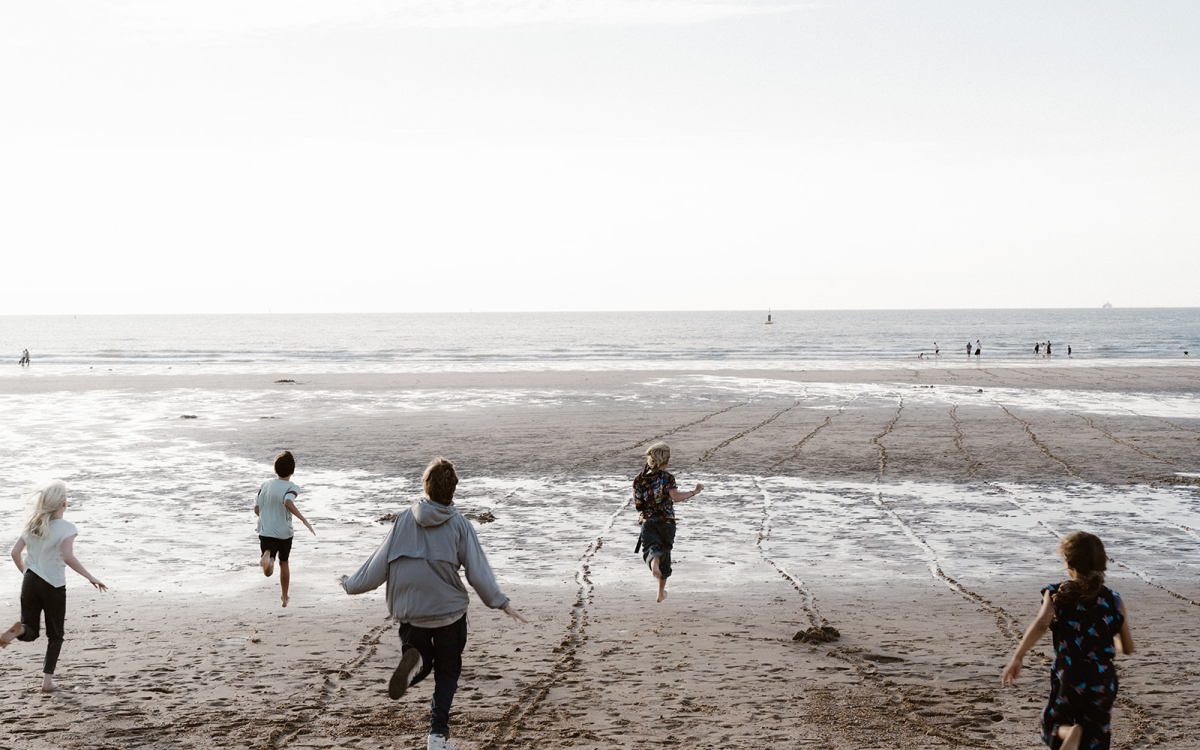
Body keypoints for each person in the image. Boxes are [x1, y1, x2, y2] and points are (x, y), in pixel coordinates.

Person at [339, 458, 526, 750]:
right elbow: (477, 572)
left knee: (422, 660)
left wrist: (351, 584)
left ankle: (414, 664)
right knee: (448, 671)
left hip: (409, 610)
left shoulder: (403, 519)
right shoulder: (460, 524)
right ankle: (437, 737)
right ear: (453, 490)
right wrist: (500, 602)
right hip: (447, 611)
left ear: (425, 487)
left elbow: (378, 564)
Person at [1002, 531, 1135, 750]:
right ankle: (1081, 734)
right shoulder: (1114, 598)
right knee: (1097, 735)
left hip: (1070, 673)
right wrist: (1109, 635)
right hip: (1103, 676)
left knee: (1053, 724)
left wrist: (1018, 656)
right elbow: (1127, 647)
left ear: (1069, 563)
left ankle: (1070, 732)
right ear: (1102, 563)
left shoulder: (1057, 593)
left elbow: (1042, 623)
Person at [1, 481, 107, 692]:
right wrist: (90, 576)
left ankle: (19, 630)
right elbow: (68, 557)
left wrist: (27, 573)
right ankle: (47, 682)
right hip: (53, 584)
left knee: (30, 630)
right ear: (64, 504)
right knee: (55, 635)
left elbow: (14, 553)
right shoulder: (67, 528)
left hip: (29, 580)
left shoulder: (33, 524)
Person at [633, 442, 703, 604]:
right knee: (665, 553)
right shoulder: (667, 477)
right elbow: (676, 497)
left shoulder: (638, 479)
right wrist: (695, 491)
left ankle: (654, 561)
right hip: (667, 523)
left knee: (651, 550)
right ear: (664, 461)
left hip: (649, 522)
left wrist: (642, 515)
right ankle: (660, 592)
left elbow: (638, 505)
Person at [254, 450, 314, 608]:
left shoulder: (264, 485)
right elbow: (288, 502)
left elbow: (256, 509)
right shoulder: (292, 487)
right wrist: (304, 520)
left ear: (275, 469)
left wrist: (266, 515)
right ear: (293, 471)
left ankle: (268, 556)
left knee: (268, 572)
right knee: (284, 562)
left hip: (266, 531)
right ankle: (284, 596)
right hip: (284, 533)